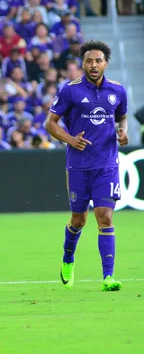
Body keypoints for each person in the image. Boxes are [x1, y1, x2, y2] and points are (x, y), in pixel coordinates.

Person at [45, 40, 128, 291]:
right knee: (79, 220)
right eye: (89, 61)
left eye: (98, 61)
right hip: (79, 166)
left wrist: (122, 131)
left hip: (106, 165)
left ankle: (108, 277)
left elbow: (121, 115)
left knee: (105, 217)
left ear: (105, 63)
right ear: (82, 63)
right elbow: (50, 123)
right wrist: (70, 139)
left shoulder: (117, 90)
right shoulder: (70, 90)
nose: (94, 65)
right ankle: (68, 259)